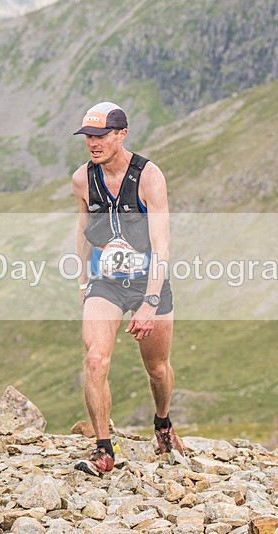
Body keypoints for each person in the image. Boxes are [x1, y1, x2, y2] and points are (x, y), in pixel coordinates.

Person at [71, 102, 184, 476]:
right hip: (106, 282)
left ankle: (163, 424)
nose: (93, 143)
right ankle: (104, 449)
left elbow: (162, 244)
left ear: (121, 134)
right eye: (88, 137)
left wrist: (150, 301)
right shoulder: (82, 179)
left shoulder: (149, 176)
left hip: (148, 281)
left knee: (157, 368)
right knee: (95, 361)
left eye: (101, 136)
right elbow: (83, 228)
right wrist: (84, 280)